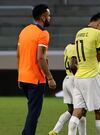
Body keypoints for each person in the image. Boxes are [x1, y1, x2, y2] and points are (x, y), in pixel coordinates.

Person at [17, 4, 56, 135]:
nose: (50, 17)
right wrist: (50, 78)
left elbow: (18, 54)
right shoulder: (43, 34)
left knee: (31, 110)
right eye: (48, 15)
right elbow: (40, 58)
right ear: (43, 16)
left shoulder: (24, 31)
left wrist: (19, 76)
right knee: (34, 113)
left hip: (23, 77)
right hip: (36, 80)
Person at [68, 13, 100, 135]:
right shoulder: (98, 33)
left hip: (79, 77)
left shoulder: (79, 33)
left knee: (78, 110)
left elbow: (73, 61)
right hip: (92, 76)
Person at [48, 43, 87, 135]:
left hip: (67, 79)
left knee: (71, 110)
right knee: (81, 110)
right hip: (74, 79)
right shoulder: (75, 48)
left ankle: (55, 130)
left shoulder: (68, 47)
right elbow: (73, 65)